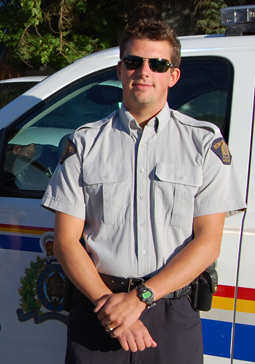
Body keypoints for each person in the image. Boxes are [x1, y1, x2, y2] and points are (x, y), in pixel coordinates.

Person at [41, 19, 246, 363]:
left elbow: (208, 240)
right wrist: (110, 307)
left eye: (158, 64)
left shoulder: (203, 143)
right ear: (120, 70)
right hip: (99, 308)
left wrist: (138, 300)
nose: (144, 71)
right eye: (134, 62)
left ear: (173, 76)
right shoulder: (85, 142)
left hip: (170, 312)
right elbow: (65, 240)